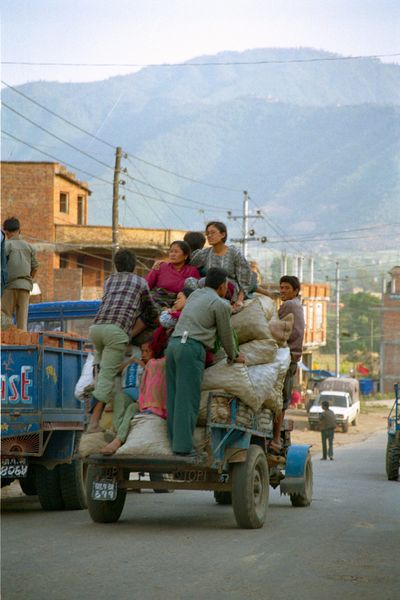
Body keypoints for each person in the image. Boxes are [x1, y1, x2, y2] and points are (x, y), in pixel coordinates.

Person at [166, 267, 245, 456]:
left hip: (173, 345)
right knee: (188, 399)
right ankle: (183, 448)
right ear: (221, 286)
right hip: (191, 349)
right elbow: (226, 333)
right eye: (226, 285)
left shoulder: (195, 295)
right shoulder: (220, 304)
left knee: (174, 397)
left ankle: (172, 443)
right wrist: (234, 355)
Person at [87, 248, 158, 432]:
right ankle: (93, 423)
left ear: (116, 266)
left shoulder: (109, 280)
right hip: (116, 332)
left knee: (100, 372)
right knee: (106, 378)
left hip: (96, 329)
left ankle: (94, 415)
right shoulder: (141, 282)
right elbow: (150, 310)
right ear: (134, 266)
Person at [271, 275, 305, 451]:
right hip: (290, 358)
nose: (282, 291)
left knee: (279, 400)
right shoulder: (296, 305)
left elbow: (277, 329)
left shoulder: (289, 305)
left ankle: (276, 438)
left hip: (287, 358)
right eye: (281, 287)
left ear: (296, 291)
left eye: (286, 288)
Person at [100, 341, 152, 455]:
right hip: (129, 394)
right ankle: (118, 433)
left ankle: (118, 439)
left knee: (132, 408)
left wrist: (143, 365)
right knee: (119, 398)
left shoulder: (155, 364)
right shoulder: (133, 361)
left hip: (144, 401)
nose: (143, 354)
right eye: (142, 351)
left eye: (146, 351)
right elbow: (114, 371)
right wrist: (131, 361)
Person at [190, 221, 252, 310]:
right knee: (190, 281)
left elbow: (245, 278)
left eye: (213, 232)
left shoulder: (234, 252)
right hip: (209, 287)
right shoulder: (205, 253)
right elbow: (191, 262)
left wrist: (239, 300)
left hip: (227, 288)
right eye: (207, 233)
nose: (209, 236)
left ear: (223, 234)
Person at [1, 217, 39, 330]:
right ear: (19, 230)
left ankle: (5, 344)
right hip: (25, 287)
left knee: (5, 317)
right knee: (22, 319)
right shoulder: (29, 246)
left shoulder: (6, 246)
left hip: (9, 286)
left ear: (6, 231)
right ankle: (22, 343)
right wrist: (29, 280)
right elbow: (35, 266)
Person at [146, 240, 200, 308]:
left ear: (185, 256)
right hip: (156, 301)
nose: (172, 254)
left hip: (179, 305)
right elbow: (146, 285)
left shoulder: (192, 271)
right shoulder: (160, 266)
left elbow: (195, 293)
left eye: (176, 252)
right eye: (171, 251)